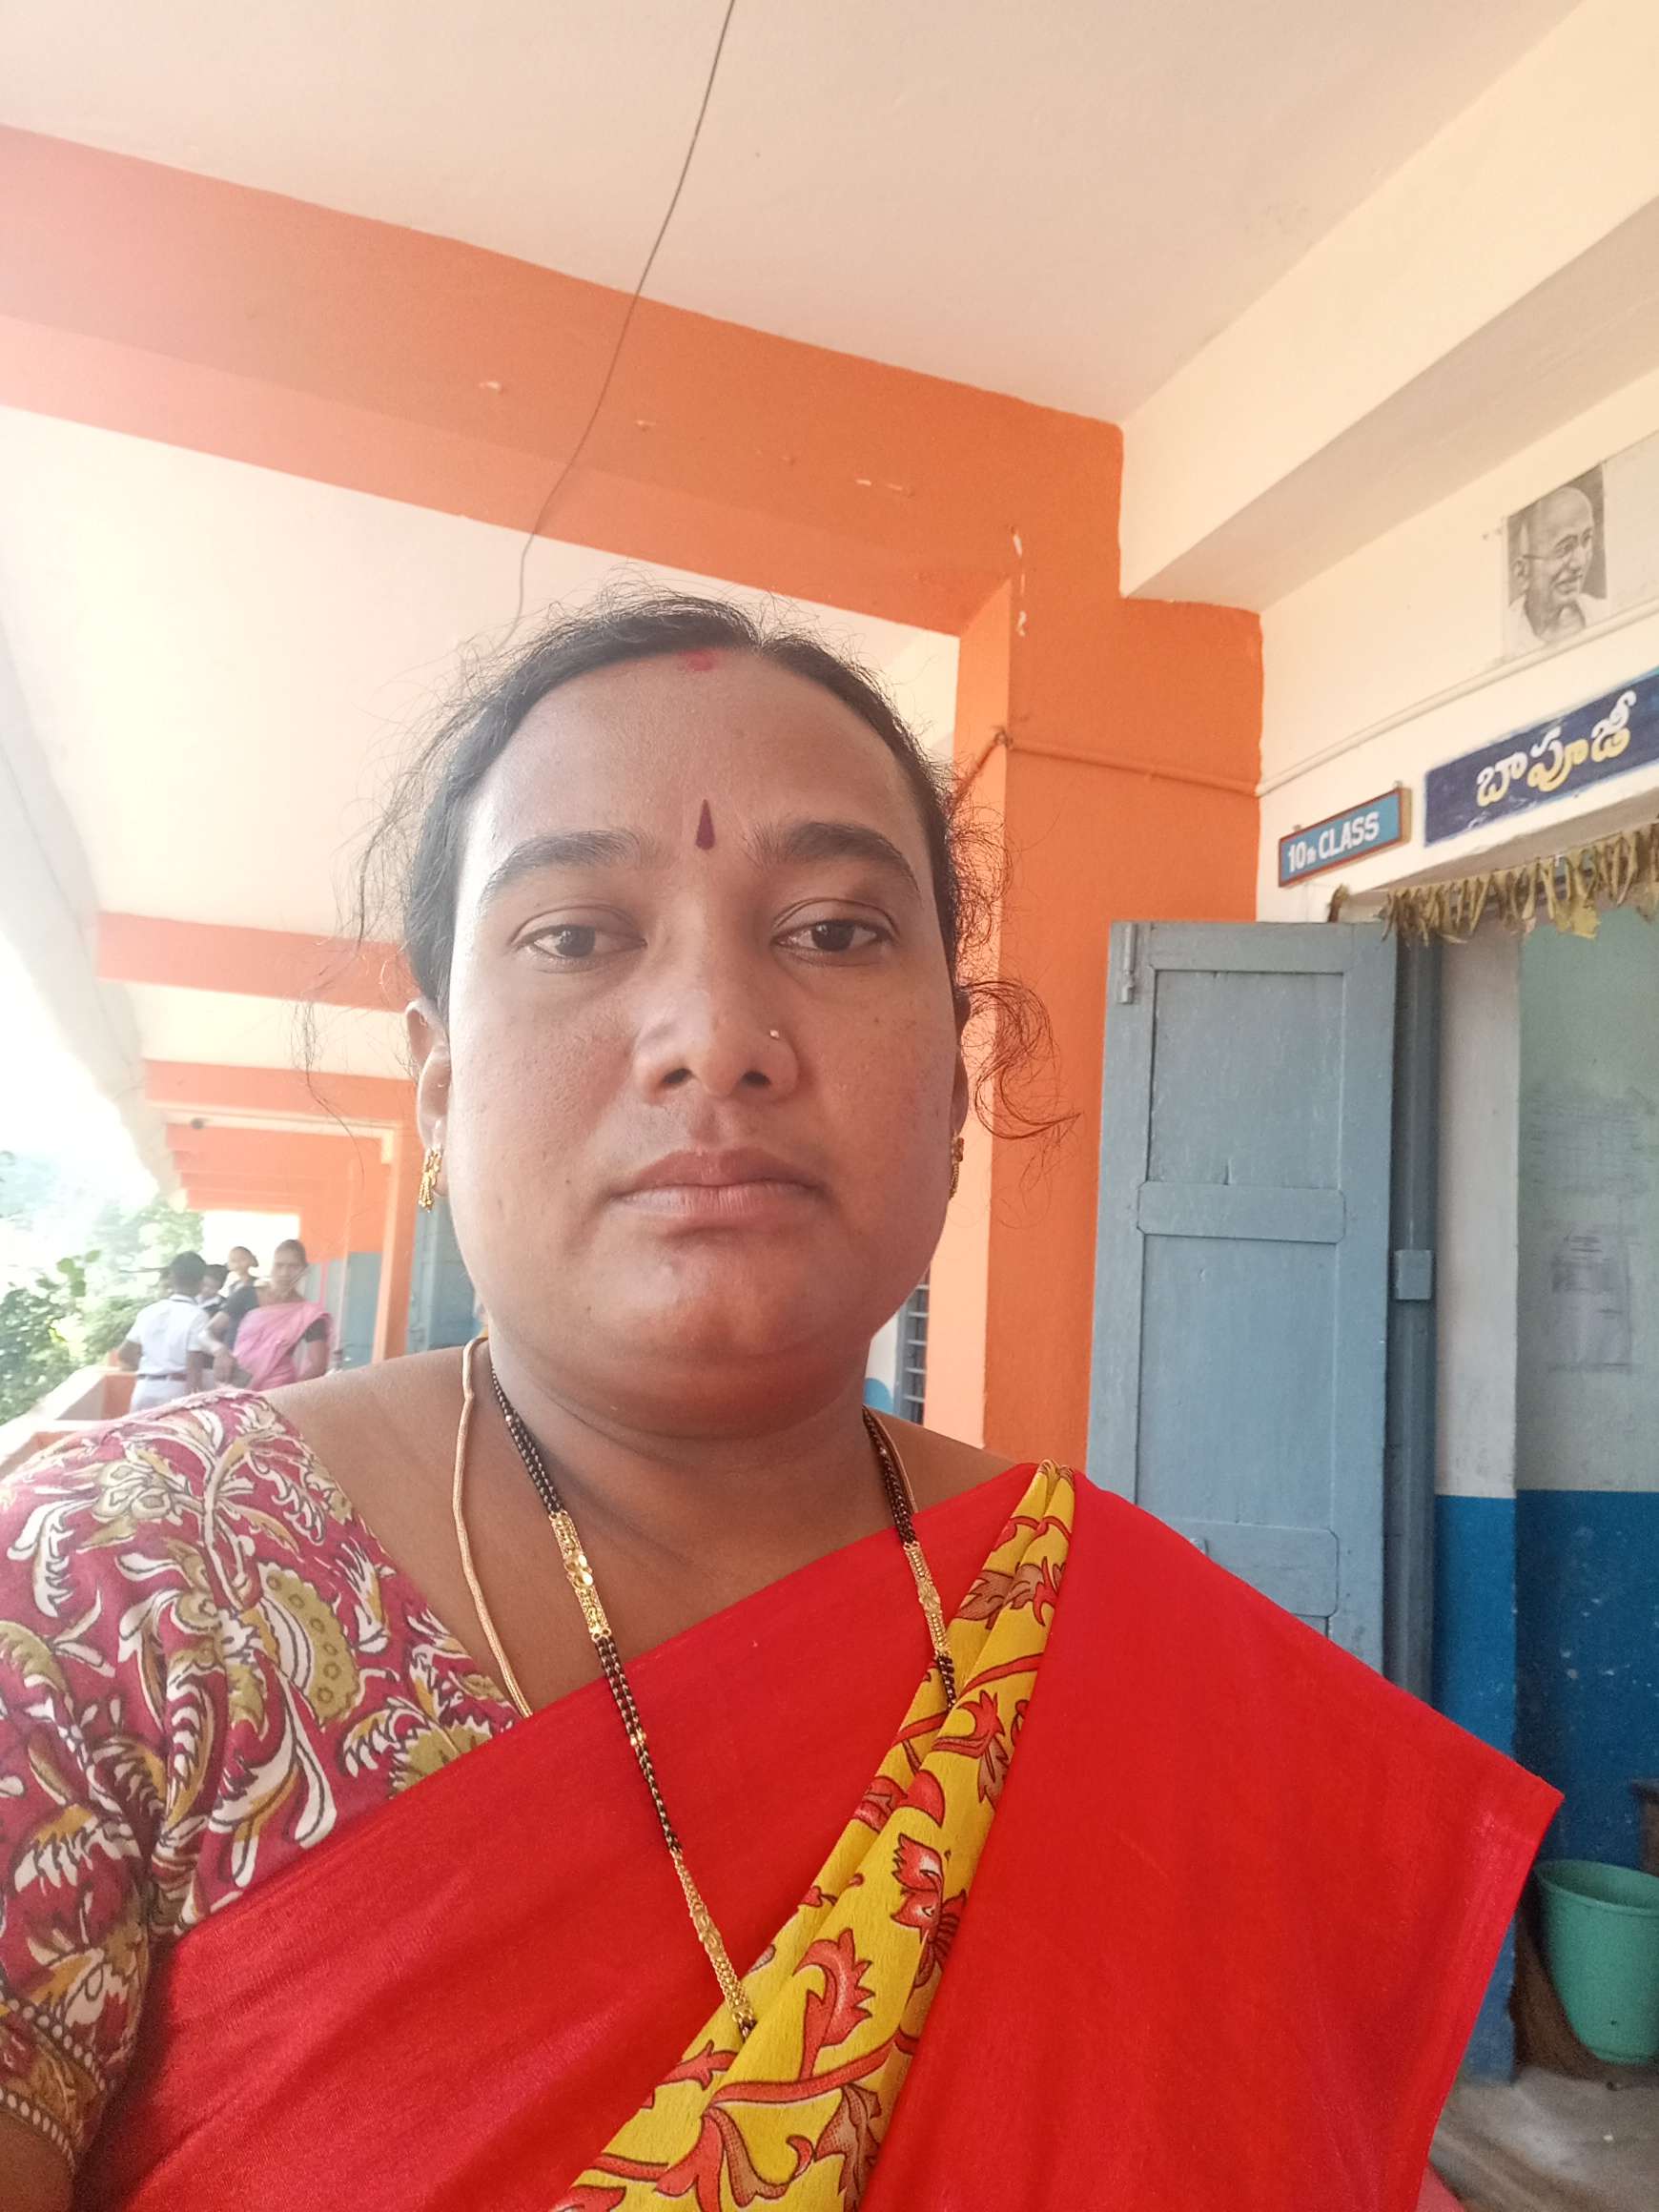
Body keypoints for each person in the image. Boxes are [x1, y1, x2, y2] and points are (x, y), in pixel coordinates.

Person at [0, 596, 1557, 2212]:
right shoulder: (111, 1597)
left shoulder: (1136, 1655)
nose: (714, 1042)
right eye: (576, 935)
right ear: (441, 1083)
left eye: (833, 933)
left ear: (955, 1085)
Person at [1506, 480, 1608, 650]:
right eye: (1564, 549)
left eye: (1586, 540)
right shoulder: (1505, 639)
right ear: (1522, 573)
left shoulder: (1604, 613)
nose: (1580, 562)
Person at [113, 1251, 215, 1412]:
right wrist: (194, 1406)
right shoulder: (198, 1316)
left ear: (172, 1278)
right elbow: (194, 1367)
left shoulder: (149, 1312)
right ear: (201, 1282)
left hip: (144, 1388)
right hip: (176, 1391)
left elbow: (124, 1353)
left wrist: (152, 1368)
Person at [225, 1238, 332, 1388]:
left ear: (304, 1270)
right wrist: (220, 1352)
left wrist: (289, 1392)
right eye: (279, 1265)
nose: (284, 1273)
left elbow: (319, 1365)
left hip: (278, 1387)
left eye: (293, 1267)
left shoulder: (308, 1314)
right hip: (235, 1382)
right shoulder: (246, 1295)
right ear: (271, 1266)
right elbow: (208, 1333)